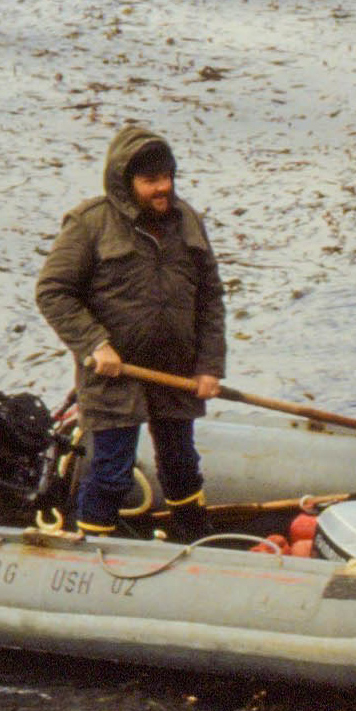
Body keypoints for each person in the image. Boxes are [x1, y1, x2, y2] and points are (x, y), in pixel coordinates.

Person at [35, 125, 226, 541]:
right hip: (114, 376)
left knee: (181, 463)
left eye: (167, 177)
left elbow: (210, 298)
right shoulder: (90, 224)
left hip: (176, 372)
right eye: (150, 181)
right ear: (125, 182)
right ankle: (89, 548)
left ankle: (195, 540)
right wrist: (94, 343)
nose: (163, 188)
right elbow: (53, 292)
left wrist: (209, 366)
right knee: (111, 470)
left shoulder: (188, 221)